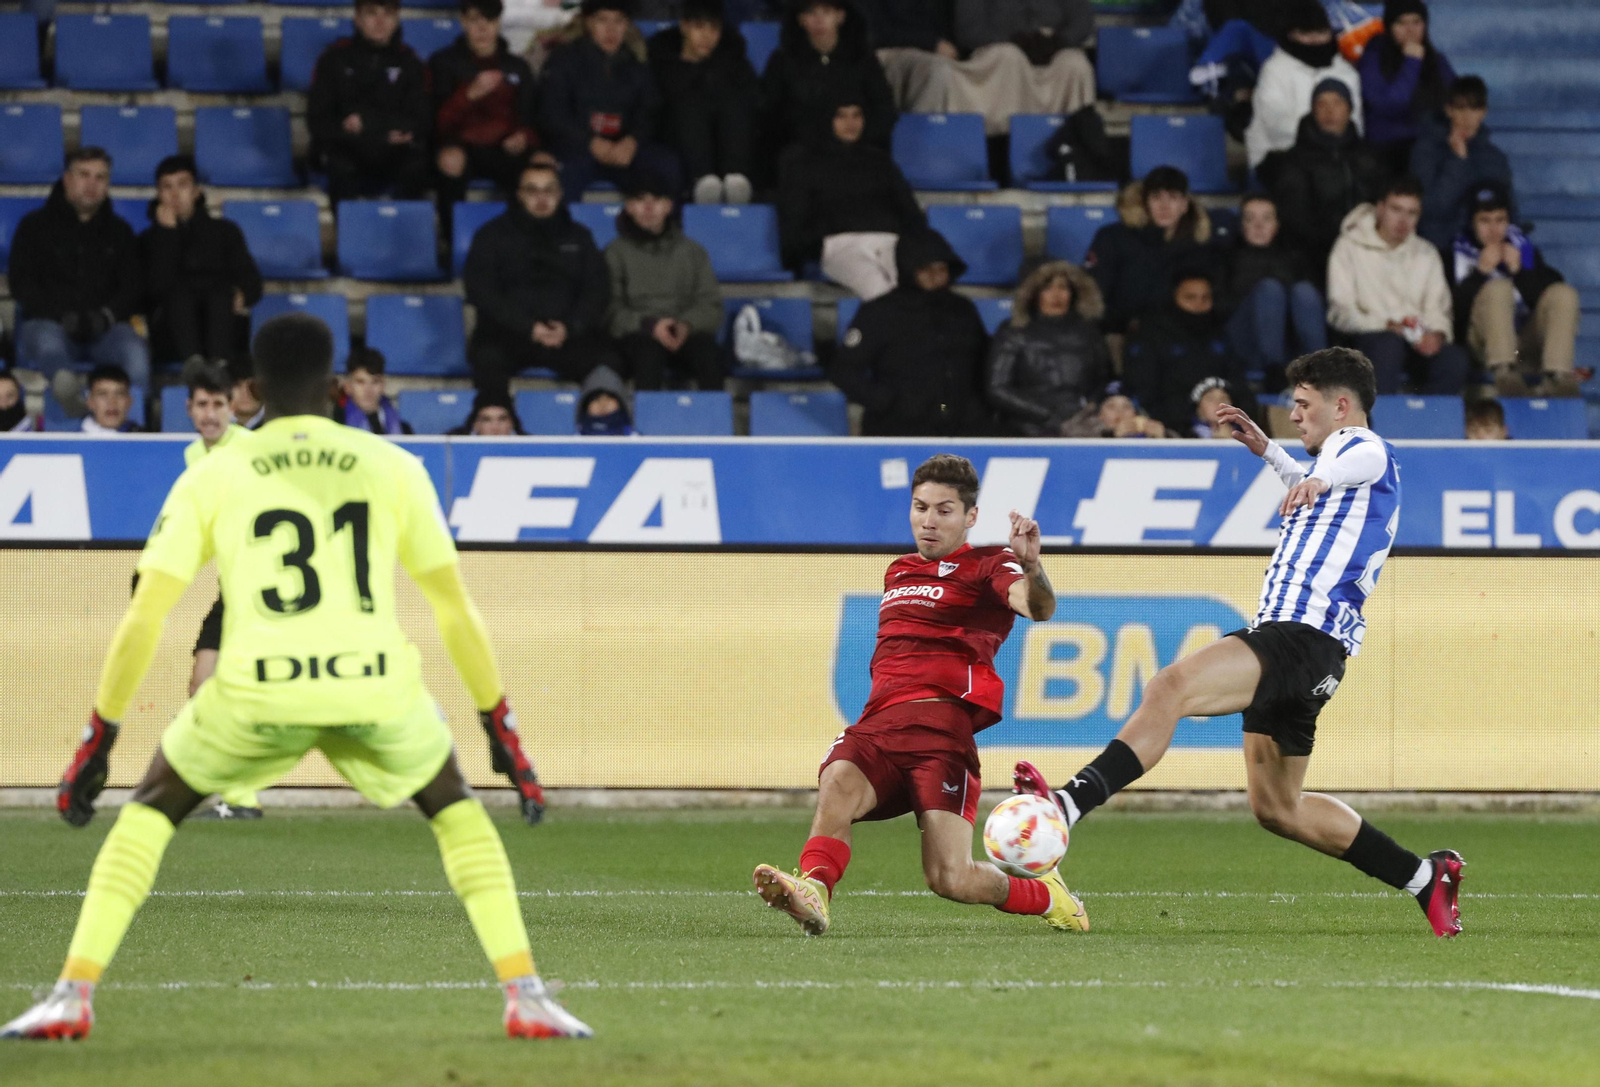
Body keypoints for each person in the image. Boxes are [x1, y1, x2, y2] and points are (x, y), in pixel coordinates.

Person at [3, 313, 580, 1042]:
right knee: (457, 809)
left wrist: (100, 736)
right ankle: (525, 993)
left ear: (252, 389)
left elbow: (145, 612)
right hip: (374, 685)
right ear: (336, 385)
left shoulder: (215, 471)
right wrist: (501, 728)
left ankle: (72, 993)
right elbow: (455, 608)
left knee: (149, 808)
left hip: (256, 688)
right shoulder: (393, 465)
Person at [1014, 347, 1466, 939]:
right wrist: (1273, 455)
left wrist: (1315, 477)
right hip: (1312, 651)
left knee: (1170, 686)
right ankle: (1426, 878)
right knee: (1279, 808)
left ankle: (1066, 807)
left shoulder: (1361, 448)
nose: (1295, 415)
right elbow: (1325, 474)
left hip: (1298, 638)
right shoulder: (1335, 466)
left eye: (1303, 405)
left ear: (1342, 405)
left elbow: (1348, 459)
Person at [751, 453, 1088, 937]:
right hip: (878, 727)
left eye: (944, 510)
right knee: (837, 784)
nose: (928, 521)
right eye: (920, 507)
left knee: (950, 878)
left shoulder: (990, 564)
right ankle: (814, 891)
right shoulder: (898, 571)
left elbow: (1037, 607)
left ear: (970, 517)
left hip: (940, 734)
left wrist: (1032, 567)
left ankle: (1049, 896)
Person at [172, 365, 265, 821]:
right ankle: (232, 791)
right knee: (202, 684)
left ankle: (241, 795)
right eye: (202, 405)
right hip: (232, 591)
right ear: (189, 410)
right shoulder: (195, 456)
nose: (210, 414)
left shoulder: (252, 450)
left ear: (233, 407)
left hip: (264, 593)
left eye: (218, 404)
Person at [9, 148, 149, 413]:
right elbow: (22, 284)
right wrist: (61, 315)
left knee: (134, 352)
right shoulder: (33, 227)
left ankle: (138, 425)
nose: (92, 184)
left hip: (106, 329)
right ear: (67, 179)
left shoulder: (121, 232)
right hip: (49, 323)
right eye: (84, 175)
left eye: (100, 177)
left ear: (108, 184)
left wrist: (106, 316)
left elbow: (133, 287)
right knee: (48, 344)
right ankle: (69, 397)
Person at [463, 161, 614, 396]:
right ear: (520, 194)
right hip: (506, 334)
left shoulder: (580, 236)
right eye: (532, 190)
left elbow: (597, 290)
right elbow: (481, 290)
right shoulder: (491, 235)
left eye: (549, 190)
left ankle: (603, 429)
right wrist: (529, 327)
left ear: (560, 193)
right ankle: (494, 428)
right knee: (487, 359)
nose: (541, 198)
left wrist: (570, 327)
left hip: (568, 335)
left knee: (607, 361)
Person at [831, 229, 992, 437]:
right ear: (908, 270)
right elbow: (843, 370)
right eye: (925, 269)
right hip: (898, 429)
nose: (935, 276)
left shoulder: (962, 309)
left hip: (962, 427)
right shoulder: (881, 311)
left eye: (941, 268)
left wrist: (979, 407)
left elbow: (983, 358)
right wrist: (889, 401)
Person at [1327, 176, 1468, 394]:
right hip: (1366, 337)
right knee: (1388, 345)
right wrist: (1387, 325)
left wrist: (1437, 335)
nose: (1403, 220)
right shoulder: (1348, 247)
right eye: (1396, 209)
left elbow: (1438, 309)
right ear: (1380, 208)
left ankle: (1428, 425)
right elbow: (1340, 312)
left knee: (1454, 360)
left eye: (1412, 213)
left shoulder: (1426, 252)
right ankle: (1381, 423)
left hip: (1414, 341)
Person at [776, 96, 925, 298]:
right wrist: (815, 249)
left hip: (890, 244)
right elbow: (794, 220)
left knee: (918, 284)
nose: (850, 123)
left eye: (857, 115)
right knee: (878, 288)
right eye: (841, 116)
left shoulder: (880, 161)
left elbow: (910, 212)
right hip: (839, 246)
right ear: (827, 119)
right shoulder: (805, 162)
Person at [1450, 183, 1582, 398]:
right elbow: (1453, 315)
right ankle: (1504, 372)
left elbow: (1553, 295)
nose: (1493, 230)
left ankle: (1558, 376)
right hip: (1481, 346)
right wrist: (1479, 274)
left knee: (1563, 294)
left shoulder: (1524, 250)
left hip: (1525, 347)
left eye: (1500, 220)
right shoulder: (1454, 252)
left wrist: (1521, 272)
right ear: (1471, 223)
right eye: (1484, 221)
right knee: (1499, 288)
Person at [538, 0, 680, 198]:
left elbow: (650, 111)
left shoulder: (637, 65)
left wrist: (633, 141)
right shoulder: (564, 60)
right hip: (576, 148)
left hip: (625, 150)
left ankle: (668, 228)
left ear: (627, 25)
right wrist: (590, 142)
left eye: (619, 21)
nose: (611, 30)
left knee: (665, 165)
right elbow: (553, 113)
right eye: (602, 21)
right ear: (588, 22)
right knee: (558, 174)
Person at [139, 156, 263, 373]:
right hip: (172, 335)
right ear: (159, 194)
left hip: (222, 323)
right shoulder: (147, 240)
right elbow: (154, 289)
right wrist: (167, 235)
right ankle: (194, 367)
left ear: (196, 191)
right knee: (178, 292)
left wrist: (242, 294)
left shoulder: (225, 232)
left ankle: (220, 366)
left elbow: (252, 280)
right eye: (167, 187)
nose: (175, 194)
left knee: (220, 291)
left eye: (182, 185)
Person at [605, 173, 726, 391]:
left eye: (657, 199)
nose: (649, 207)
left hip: (685, 332)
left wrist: (685, 325)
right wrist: (649, 326)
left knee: (710, 355)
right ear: (629, 207)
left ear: (668, 207)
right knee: (647, 354)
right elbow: (610, 310)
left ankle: (713, 425)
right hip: (638, 335)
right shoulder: (614, 253)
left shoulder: (693, 252)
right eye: (641, 199)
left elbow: (710, 305)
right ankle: (646, 425)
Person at [307, 0, 433, 204]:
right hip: (348, 146)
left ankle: (403, 234)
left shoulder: (411, 63)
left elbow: (420, 119)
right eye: (372, 13)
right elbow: (317, 121)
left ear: (397, 19)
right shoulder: (333, 59)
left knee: (417, 166)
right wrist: (364, 133)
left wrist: (367, 124)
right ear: (357, 19)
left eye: (388, 14)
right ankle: (346, 235)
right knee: (339, 166)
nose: (380, 21)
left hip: (394, 149)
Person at [429, 0, 541, 213]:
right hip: (460, 145)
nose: (482, 29)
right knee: (451, 160)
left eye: (489, 20)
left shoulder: (517, 66)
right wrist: (468, 96)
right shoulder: (443, 62)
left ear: (498, 22)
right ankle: (451, 237)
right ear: (463, 22)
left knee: (541, 164)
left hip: (504, 147)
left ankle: (526, 239)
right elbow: (436, 123)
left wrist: (522, 136)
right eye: (474, 21)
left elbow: (531, 118)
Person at [1266, 78, 1388, 272]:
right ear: (1313, 111)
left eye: (1337, 102)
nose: (1329, 111)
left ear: (1349, 109)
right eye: (1321, 104)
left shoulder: (1369, 156)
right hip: (1316, 258)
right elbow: (1297, 219)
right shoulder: (1295, 161)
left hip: (1369, 251)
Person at [759, 0, 897, 169]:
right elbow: (770, 112)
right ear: (801, 20)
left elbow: (884, 109)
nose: (819, 20)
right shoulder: (782, 61)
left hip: (856, 151)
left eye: (826, 11)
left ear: (840, 16)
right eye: (811, 12)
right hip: (803, 155)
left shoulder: (862, 58)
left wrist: (856, 137)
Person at [1086, 167, 1221, 337]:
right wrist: (1125, 323)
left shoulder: (1200, 248)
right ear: (1145, 203)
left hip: (1182, 337)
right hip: (1122, 334)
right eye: (1156, 197)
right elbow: (1093, 293)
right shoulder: (1113, 237)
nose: (1164, 206)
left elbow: (1209, 303)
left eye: (1172, 197)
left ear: (1185, 205)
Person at [648, 0, 759, 204]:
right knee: (690, 106)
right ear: (684, 26)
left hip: (722, 136)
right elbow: (654, 104)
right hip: (673, 134)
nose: (707, 36)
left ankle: (736, 180)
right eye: (699, 27)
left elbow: (754, 98)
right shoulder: (662, 58)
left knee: (734, 105)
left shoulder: (732, 59)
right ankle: (701, 182)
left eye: (714, 29)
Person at [1123, 269, 1257, 436]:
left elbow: (1239, 385)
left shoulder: (1220, 334)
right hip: (1171, 429)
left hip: (1225, 428)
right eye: (1190, 298)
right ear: (1174, 298)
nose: (1199, 305)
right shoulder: (1152, 336)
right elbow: (1146, 391)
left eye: (1205, 298)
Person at [985, 260, 1109, 437]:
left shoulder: (1089, 332)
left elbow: (1102, 379)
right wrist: (1048, 416)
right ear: (1034, 294)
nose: (1056, 295)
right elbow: (997, 387)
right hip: (1026, 428)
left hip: (1081, 425)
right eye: (1048, 288)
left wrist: (1087, 409)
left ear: (1073, 293)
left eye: (1063, 287)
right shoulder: (1013, 331)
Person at [1223, 193, 1327, 388]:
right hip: (1247, 343)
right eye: (1250, 219)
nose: (1258, 225)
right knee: (1270, 290)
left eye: (1266, 218)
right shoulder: (1226, 256)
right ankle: (1273, 371)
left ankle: (1321, 369)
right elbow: (1220, 307)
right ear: (1241, 225)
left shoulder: (1297, 257)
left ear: (1277, 224)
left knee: (1304, 291)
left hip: (1292, 345)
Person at [948, 0, 1095, 137]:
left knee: (1076, 64)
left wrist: (1057, 42)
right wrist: (1015, 42)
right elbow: (969, 30)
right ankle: (1000, 140)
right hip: (997, 49)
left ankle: (1076, 141)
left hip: (1052, 48)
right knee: (1009, 56)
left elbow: (1082, 22)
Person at [1245, 0, 1362, 170]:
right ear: (1290, 35)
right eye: (1305, 34)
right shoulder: (1274, 70)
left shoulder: (1346, 73)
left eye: (1321, 33)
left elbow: (1355, 123)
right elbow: (1276, 125)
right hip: (1279, 159)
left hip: (1338, 160)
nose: (1314, 40)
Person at [1410, 76, 1512, 250]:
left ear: (1483, 112)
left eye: (1474, 109)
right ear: (1449, 111)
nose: (1467, 117)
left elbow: (1510, 212)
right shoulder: (1426, 151)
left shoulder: (1495, 158)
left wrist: (1516, 251)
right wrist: (1457, 160)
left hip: (1485, 253)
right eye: (1460, 108)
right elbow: (1431, 208)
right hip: (1440, 251)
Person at [1356, 0, 1454, 176]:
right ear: (1389, 26)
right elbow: (1388, 106)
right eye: (1401, 23)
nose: (1410, 30)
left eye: (1416, 22)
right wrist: (1412, 63)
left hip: (1430, 148)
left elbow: (1455, 102)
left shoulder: (1436, 60)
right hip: (1386, 153)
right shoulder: (1373, 58)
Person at [858, 0, 958, 114]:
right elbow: (877, 32)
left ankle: (972, 127)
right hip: (888, 48)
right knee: (938, 68)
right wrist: (932, 44)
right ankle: (921, 127)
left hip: (935, 51)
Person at [333, 348, 414, 435]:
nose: (368, 390)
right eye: (360, 382)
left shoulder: (404, 430)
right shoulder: (336, 426)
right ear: (347, 387)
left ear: (383, 385)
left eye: (375, 381)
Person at [1061, 380, 1172, 438]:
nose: (1120, 412)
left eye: (1126, 406)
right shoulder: (1080, 432)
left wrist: (1165, 437)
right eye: (1111, 407)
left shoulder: (1146, 431)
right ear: (1100, 414)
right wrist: (1111, 435)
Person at [576, 365, 637, 435]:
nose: (603, 404)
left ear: (621, 402)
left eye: (609, 398)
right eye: (596, 399)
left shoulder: (634, 438)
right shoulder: (572, 438)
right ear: (585, 405)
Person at [80, 365, 139, 434]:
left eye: (119, 394)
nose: (112, 402)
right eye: (102, 394)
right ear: (90, 402)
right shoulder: (71, 437)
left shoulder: (145, 438)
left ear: (129, 401)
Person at [449, 389, 526, 435]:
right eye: (486, 420)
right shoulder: (456, 443)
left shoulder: (529, 444)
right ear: (476, 424)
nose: (495, 428)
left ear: (511, 423)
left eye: (502, 419)